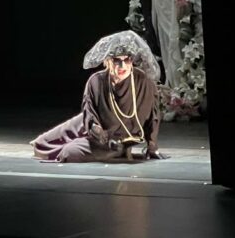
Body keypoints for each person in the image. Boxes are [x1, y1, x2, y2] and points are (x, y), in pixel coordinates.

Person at [31, 34, 165, 162]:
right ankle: (40, 144)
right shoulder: (96, 81)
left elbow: (153, 116)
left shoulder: (144, 82)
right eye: (116, 60)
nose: (122, 66)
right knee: (64, 130)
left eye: (127, 60)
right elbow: (89, 116)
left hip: (117, 139)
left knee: (68, 152)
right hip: (101, 126)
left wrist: (152, 146)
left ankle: (119, 150)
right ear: (107, 61)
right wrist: (99, 133)